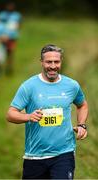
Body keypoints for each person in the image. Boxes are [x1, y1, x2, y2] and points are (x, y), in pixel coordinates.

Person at [7, 44, 88, 179]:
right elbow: (10, 114)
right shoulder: (29, 86)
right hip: (35, 156)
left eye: (56, 62)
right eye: (48, 62)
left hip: (64, 154)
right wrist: (28, 116)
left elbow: (82, 105)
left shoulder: (72, 85)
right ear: (41, 62)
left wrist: (82, 124)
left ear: (61, 62)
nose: (52, 66)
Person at [0, 2, 22, 74]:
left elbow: (19, 24)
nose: (10, 7)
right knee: (1, 53)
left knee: (10, 53)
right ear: (6, 6)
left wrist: (17, 27)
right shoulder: (1, 15)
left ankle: (9, 68)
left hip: (12, 37)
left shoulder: (17, 15)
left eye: (12, 6)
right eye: (9, 6)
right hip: (3, 37)